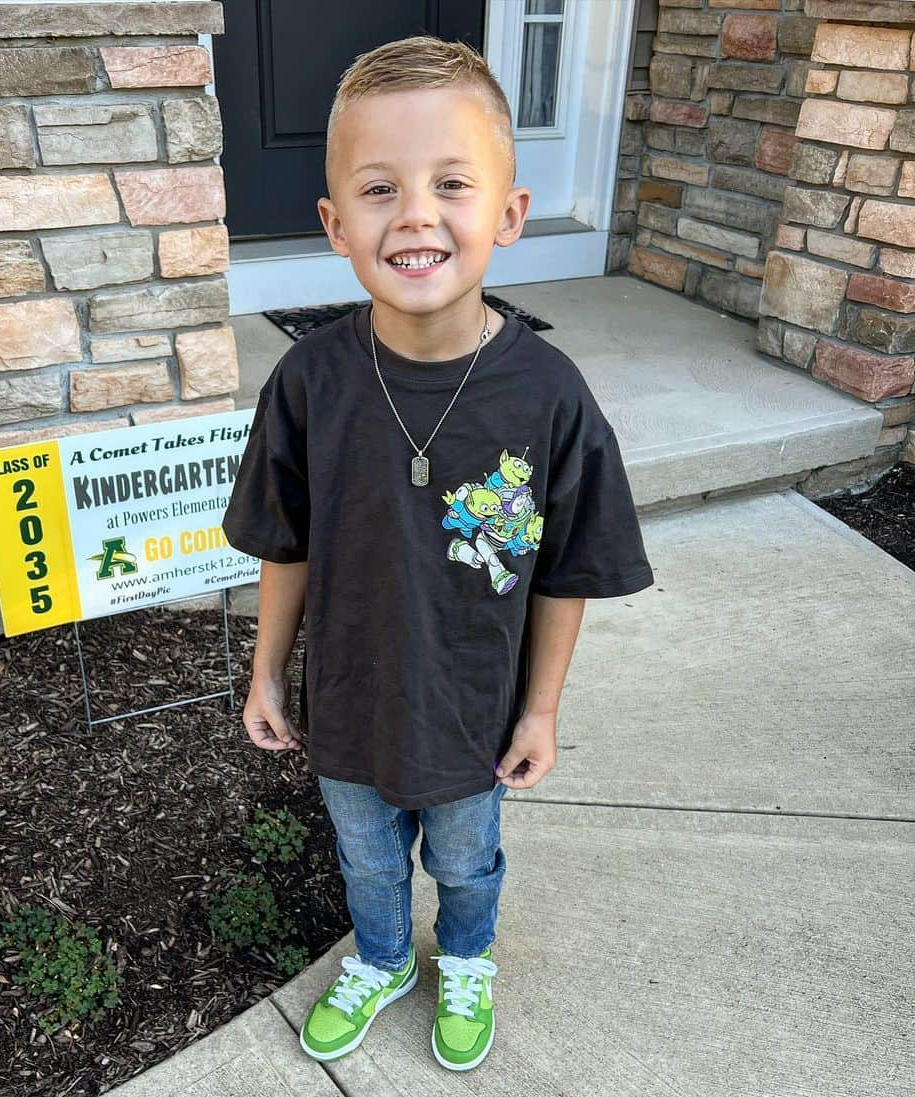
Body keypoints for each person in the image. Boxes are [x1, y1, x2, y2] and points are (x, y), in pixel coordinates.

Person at [220, 34, 654, 1072]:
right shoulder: (310, 385)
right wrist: (267, 668)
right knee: (367, 861)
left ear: (509, 213)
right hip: (352, 702)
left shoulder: (548, 396)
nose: (415, 213)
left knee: (466, 862)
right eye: (379, 188)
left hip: (473, 711)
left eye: (451, 183)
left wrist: (542, 707)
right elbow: (284, 542)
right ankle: (381, 957)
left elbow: (568, 569)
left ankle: (464, 953)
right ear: (334, 224)